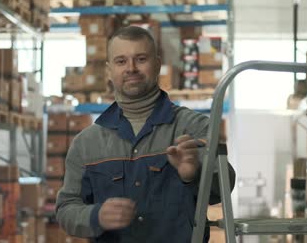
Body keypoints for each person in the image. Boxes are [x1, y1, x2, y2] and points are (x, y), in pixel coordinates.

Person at [56, 26, 234, 243]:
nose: (131, 68)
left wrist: (194, 174)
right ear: (109, 70)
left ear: (157, 64)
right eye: (121, 61)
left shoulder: (195, 127)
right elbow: (66, 209)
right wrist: (95, 216)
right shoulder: (87, 144)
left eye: (140, 59)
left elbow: (225, 187)